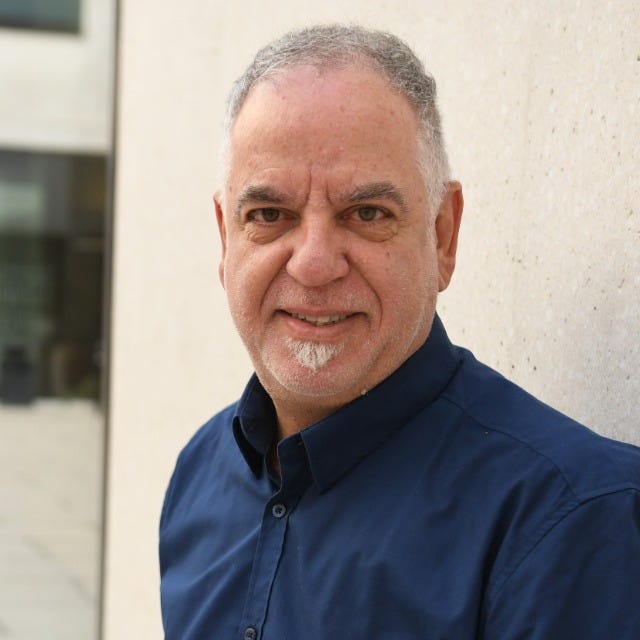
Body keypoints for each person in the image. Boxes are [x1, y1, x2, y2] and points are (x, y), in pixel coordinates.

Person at [159, 24, 640, 639]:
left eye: (366, 213)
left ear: (442, 236)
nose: (313, 263)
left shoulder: (570, 520)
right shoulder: (200, 474)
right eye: (270, 214)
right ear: (226, 240)